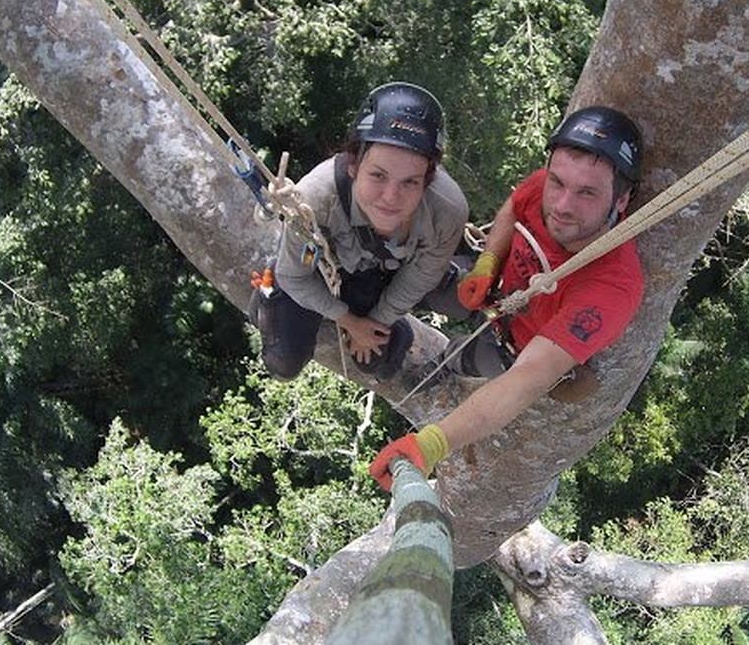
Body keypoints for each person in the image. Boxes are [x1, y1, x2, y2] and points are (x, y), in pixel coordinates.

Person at [369, 106, 645, 489]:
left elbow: (529, 377)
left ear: (621, 200)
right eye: (558, 184)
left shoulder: (613, 284)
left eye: (587, 193)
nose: (563, 206)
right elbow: (515, 207)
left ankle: (451, 363)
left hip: (513, 345)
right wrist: (487, 262)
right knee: (414, 275)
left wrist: (433, 444)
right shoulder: (547, 187)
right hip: (494, 291)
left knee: (457, 364)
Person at [250, 82, 468, 381]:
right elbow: (294, 276)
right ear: (353, 164)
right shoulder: (315, 199)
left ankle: (387, 322)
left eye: (410, 182)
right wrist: (349, 321)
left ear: (427, 180)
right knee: (283, 362)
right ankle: (270, 297)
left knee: (378, 361)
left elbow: (421, 277)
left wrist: (378, 321)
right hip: (321, 268)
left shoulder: (446, 211)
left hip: (373, 273)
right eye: (378, 175)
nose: (391, 197)